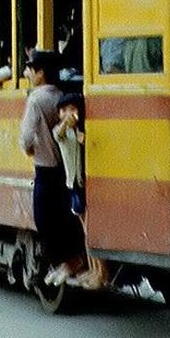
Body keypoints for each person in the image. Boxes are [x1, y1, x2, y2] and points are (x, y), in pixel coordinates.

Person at [20, 50, 84, 285]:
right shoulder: (60, 95)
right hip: (65, 169)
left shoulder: (36, 99)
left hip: (45, 168)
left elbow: (27, 136)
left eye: (31, 69)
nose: (27, 73)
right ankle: (72, 260)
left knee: (44, 218)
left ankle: (62, 262)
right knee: (65, 217)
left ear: (41, 73)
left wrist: (28, 148)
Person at [52, 93, 106, 289]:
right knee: (86, 228)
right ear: (59, 114)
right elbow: (58, 133)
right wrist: (68, 123)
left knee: (89, 228)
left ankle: (100, 272)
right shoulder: (63, 133)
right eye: (64, 110)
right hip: (74, 185)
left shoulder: (81, 132)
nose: (69, 114)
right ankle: (94, 270)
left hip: (83, 184)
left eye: (73, 109)